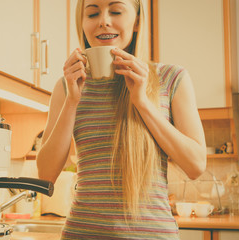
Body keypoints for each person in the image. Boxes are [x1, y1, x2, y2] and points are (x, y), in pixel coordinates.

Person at [36, 0, 206, 239]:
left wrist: (142, 102)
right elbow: (45, 176)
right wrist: (72, 101)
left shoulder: (171, 78)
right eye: (93, 13)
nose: (104, 20)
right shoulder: (67, 86)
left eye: (115, 11)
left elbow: (196, 165)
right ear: (82, 23)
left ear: (136, 21)